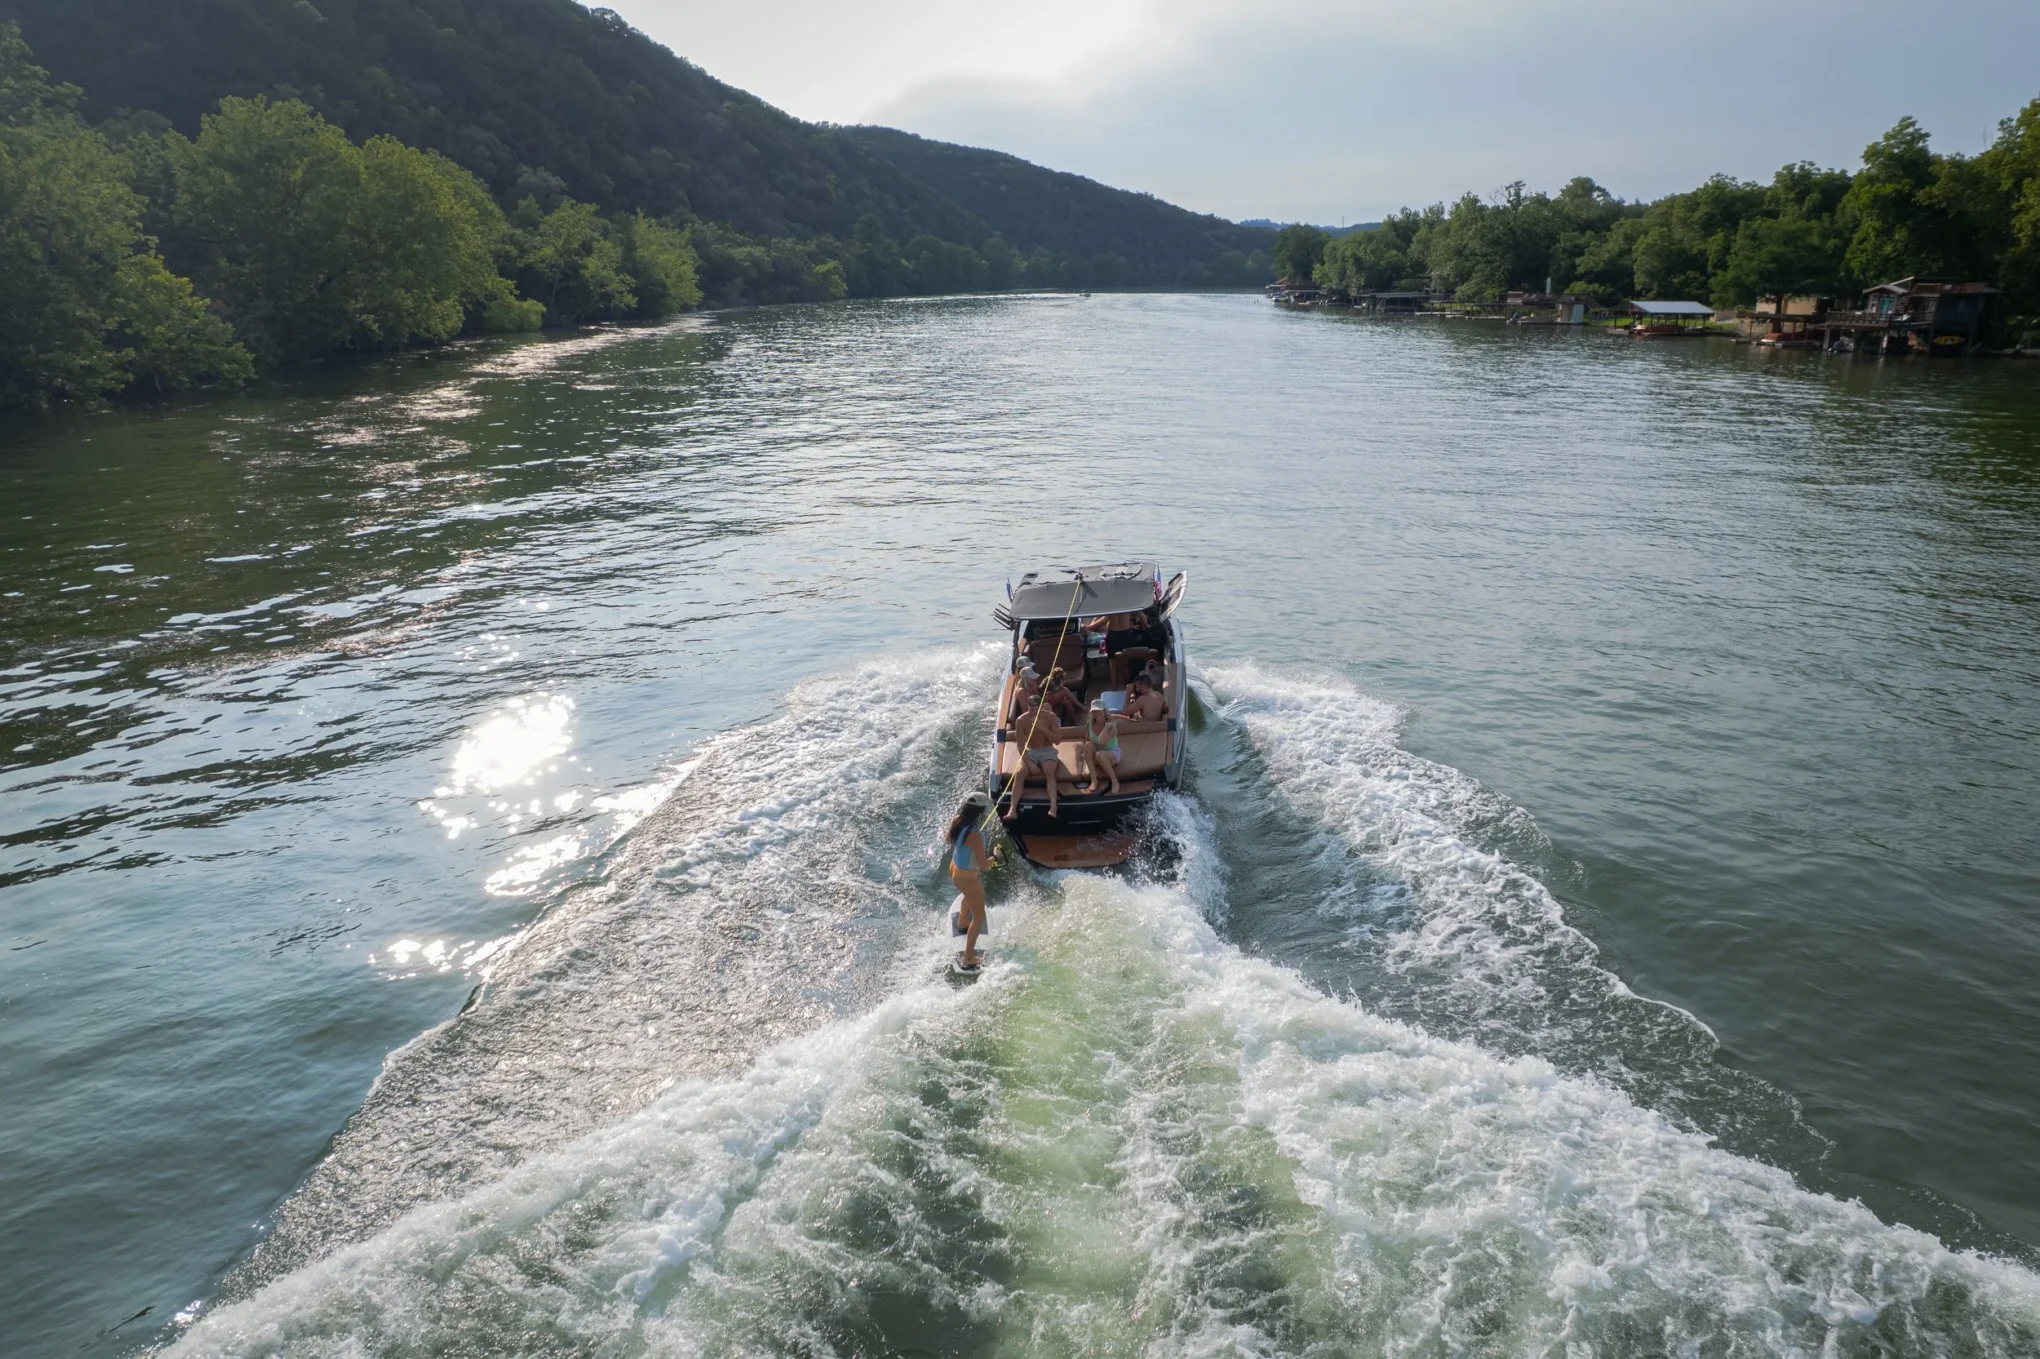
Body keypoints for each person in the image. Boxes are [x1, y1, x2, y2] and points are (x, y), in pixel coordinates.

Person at [945, 792, 993, 969]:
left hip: (955, 870)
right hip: (968, 878)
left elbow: (949, 839)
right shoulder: (975, 835)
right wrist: (994, 855)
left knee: (968, 896)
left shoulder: (957, 820)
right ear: (980, 812)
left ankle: (963, 921)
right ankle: (968, 958)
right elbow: (984, 865)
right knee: (979, 917)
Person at [1003, 692, 1066, 820]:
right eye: (1030, 708)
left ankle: (1053, 806)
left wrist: (1043, 728)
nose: (1033, 711)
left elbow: (1057, 740)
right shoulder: (1021, 720)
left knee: (1049, 771)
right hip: (1031, 751)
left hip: (1047, 749)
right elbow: (1020, 745)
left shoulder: (1051, 717)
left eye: (1035, 709)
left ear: (1041, 707)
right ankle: (1012, 810)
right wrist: (1029, 763)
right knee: (1019, 773)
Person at [1082, 700, 1122, 794]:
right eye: (1094, 712)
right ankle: (1094, 778)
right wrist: (1085, 753)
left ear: (1104, 711)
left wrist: (1106, 727)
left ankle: (1114, 780)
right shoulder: (1090, 723)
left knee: (1099, 755)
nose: (1096, 714)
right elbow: (1088, 739)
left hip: (1111, 755)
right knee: (1088, 745)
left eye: (1099, 711)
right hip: (1097, 753)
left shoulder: (1111, 726)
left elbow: (1101, 741)